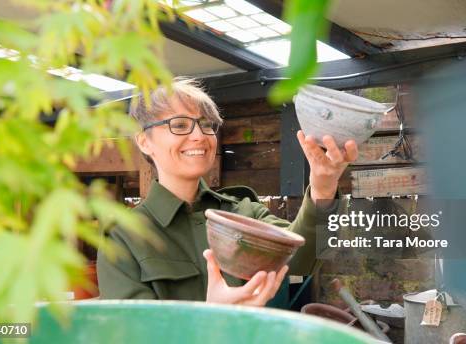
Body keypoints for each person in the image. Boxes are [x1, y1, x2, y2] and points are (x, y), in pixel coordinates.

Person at [97, 78, 358, 306]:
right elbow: (131, 332)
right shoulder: (123, 237)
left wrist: (324, 186)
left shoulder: (243, 211)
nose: (199, 136)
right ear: (144, 141)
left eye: (206, 124)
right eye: (179, 125)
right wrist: (212, 317)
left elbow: (300, 260)